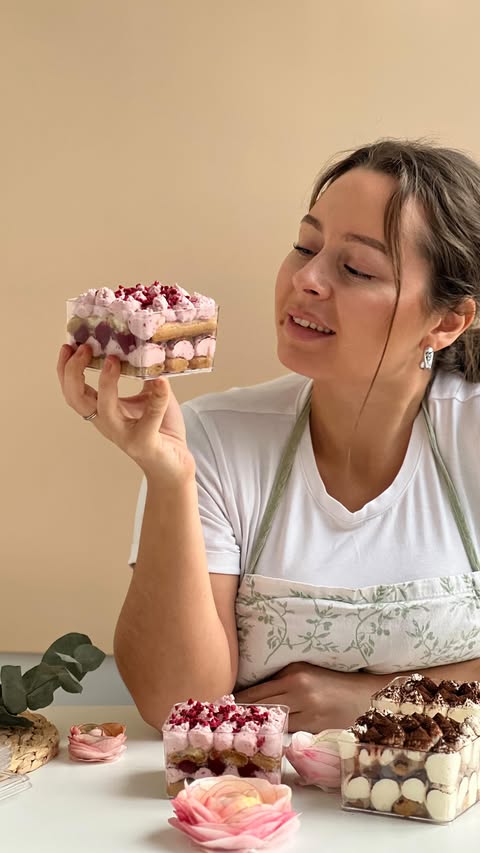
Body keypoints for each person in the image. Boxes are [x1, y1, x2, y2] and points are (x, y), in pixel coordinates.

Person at [58, 139, 480, 734]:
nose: (305, 279)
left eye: (356, 268)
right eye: (305, 247)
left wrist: (379, 699)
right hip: (260, 810)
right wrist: (168, 475)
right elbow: (178, 706)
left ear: (446, 321)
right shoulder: (213, 436)